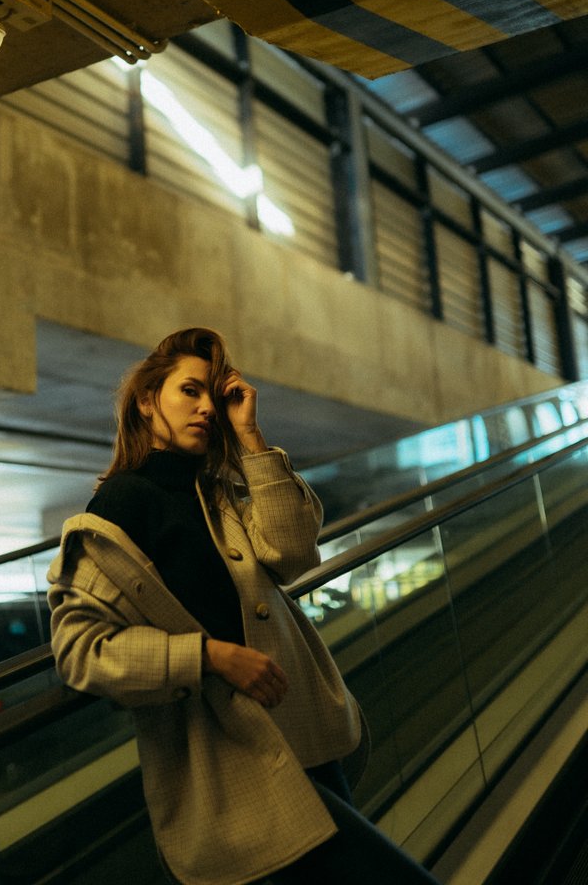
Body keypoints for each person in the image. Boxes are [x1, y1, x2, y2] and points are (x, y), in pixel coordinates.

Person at [48, 328, 439, 884]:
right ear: (145, 400)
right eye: (190, 391)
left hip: (303, 739)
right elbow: (79, 652)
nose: (207, 407)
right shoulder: (120, 504)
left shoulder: (219, 493)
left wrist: (251, 436)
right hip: (235, 766)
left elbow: (293, 554)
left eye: (215, 394)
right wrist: (209, 657)